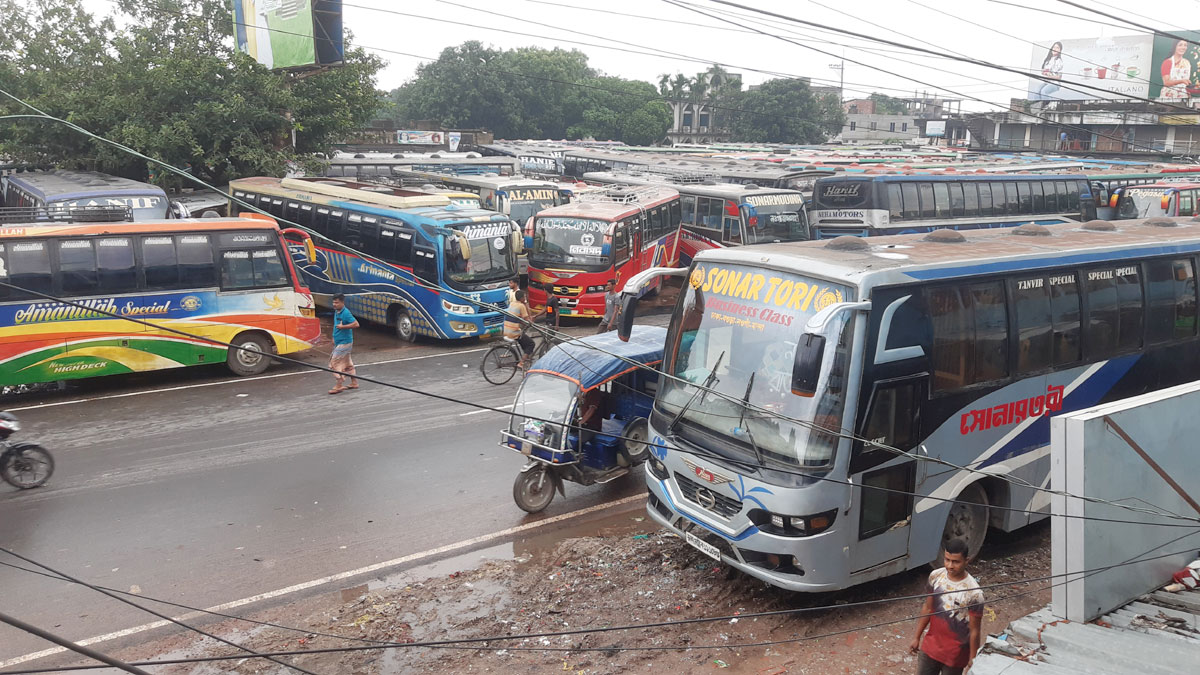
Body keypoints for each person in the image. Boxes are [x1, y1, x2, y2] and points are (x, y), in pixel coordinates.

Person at [910, 539, 984, 675]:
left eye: (956, 562)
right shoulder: (936, 576)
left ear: (967, 561)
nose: (950, 565)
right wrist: (916, 637)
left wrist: (973, 658)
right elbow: (927, 608)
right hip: (930, 647)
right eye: (947, 560)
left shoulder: (974, 593)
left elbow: (975, 630)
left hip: (956, 654)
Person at [328, 293, 359, 394]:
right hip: (339, 341)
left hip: (345, 342)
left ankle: (339, 384)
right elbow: (335, 325)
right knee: (347, 363)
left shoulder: (346, 313)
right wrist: (333, 337)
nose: (334, 304)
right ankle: (354, 382)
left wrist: (343, 327)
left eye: (337, 302)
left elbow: (356, 324)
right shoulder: (337, 312)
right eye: (333, 302)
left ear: (342, 302)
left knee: (334, 363)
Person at [505, 289, 535, 367]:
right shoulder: (521, 306)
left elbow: (518, 318)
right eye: (524, 297)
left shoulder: (512, 303)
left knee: (524, 339)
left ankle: (525, 357)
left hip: (506, 329)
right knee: (531, 344)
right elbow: (527, 319)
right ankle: (521, 363)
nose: (525, 298)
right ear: (522, 298)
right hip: (514, 331)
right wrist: (533, 324)